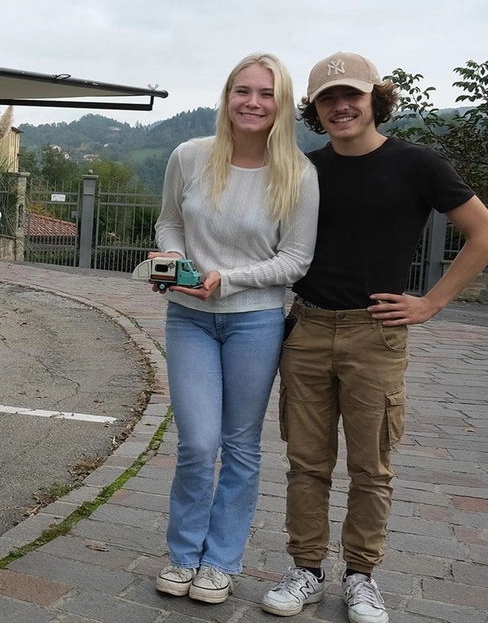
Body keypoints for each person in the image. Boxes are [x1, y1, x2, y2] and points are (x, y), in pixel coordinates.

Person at [261, 53, 488, 623]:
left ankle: (362, 576)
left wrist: (432, 302)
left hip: (376, 335)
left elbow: (482, 232)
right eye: (327, 99)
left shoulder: (418, 164)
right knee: (306, 462)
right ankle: (305, 570)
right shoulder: (304, 170)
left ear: (374, 100)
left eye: (351, 96)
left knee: (372, 467)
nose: (341, 107)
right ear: (314, 109)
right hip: (307, 330)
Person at [152, 53, 319, 604]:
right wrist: (175, 262)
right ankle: (183, 555)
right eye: (242, 91)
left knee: (241, 445)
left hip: (255, 321)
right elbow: (170, 221)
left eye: (266, 94)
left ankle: (221, 562)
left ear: (283, 104)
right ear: (226, 97)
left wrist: (229, 280)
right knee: (198, 444)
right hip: (189, 319)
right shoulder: (190, 156)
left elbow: (295, 260)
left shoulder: (298, 173)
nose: (252, 102)